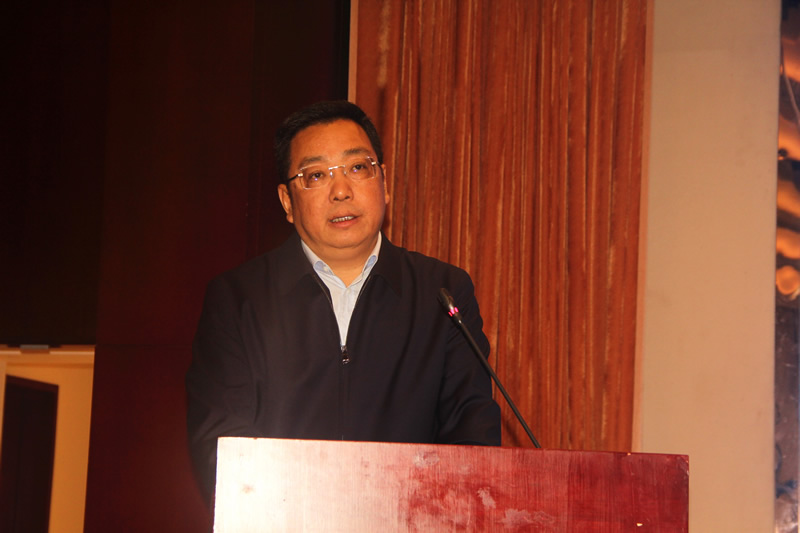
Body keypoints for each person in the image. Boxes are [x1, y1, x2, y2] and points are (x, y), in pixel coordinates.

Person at [185, 101, 501, 504]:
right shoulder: (237, 300)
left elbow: (473, 445)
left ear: (384, 182)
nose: (341, 191)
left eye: (357, 167)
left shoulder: (443, 293)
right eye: (316, 175)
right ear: (287, 201)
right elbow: (222, 455)